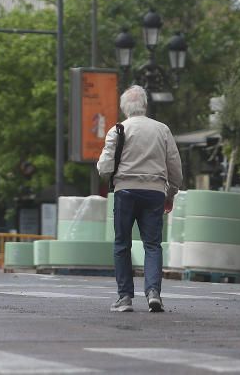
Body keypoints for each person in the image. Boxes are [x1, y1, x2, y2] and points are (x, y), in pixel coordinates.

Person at [97, 85, 183, 314]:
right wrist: (170, 193)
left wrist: (111, 177)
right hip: (154, 192)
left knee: (122, 244)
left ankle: (124, 298)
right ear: (145, 105)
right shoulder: (162, 129)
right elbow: (175, 167)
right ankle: (153, 292)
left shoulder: (118, 130)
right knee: (153, 245)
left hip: (125, 191)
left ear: (124, 108)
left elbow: (104, 166)